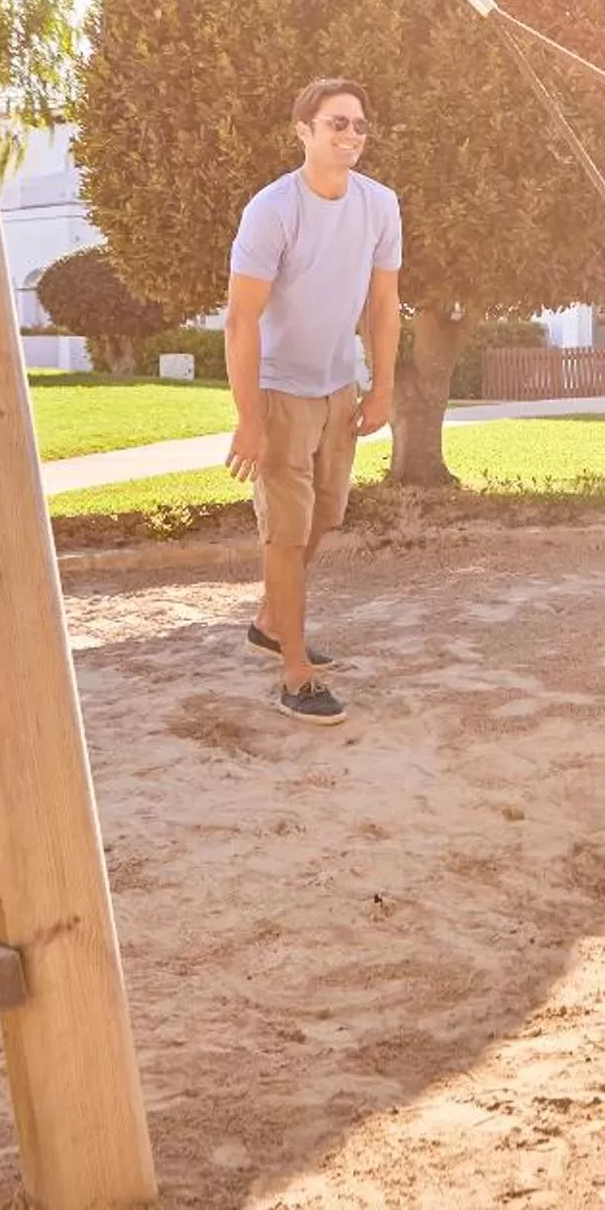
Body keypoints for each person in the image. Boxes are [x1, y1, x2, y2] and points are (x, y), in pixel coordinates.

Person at [226, 78, 403, 726]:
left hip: (337, 387)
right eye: (337, 124)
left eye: (359, 124)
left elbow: (384, 305)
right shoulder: (273, 210)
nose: (352, 135)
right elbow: (240, 320)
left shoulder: (380, 205)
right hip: (278, 391)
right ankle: (294, 672)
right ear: (304, 131)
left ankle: (272, 622)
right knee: (286, 530)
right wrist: (249, 419)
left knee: (327, 515)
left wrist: (381, 385)